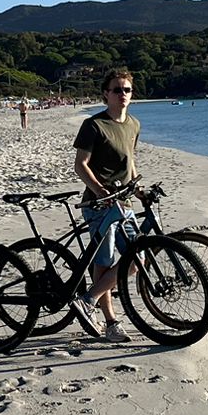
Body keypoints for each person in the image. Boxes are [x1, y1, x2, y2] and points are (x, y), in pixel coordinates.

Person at [71, 68, 140, 338]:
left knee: (138, 259)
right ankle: (111, 322)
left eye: (127, 89)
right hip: (99, 205)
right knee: (104, 260)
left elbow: (130, 162)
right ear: (106, 94)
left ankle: (88, 299)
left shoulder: (133, 124)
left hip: (123, 204)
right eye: (117, 89)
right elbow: (80, 165)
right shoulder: (94, 125)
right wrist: (99, 191)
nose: (122, 94)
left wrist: (139, 191)